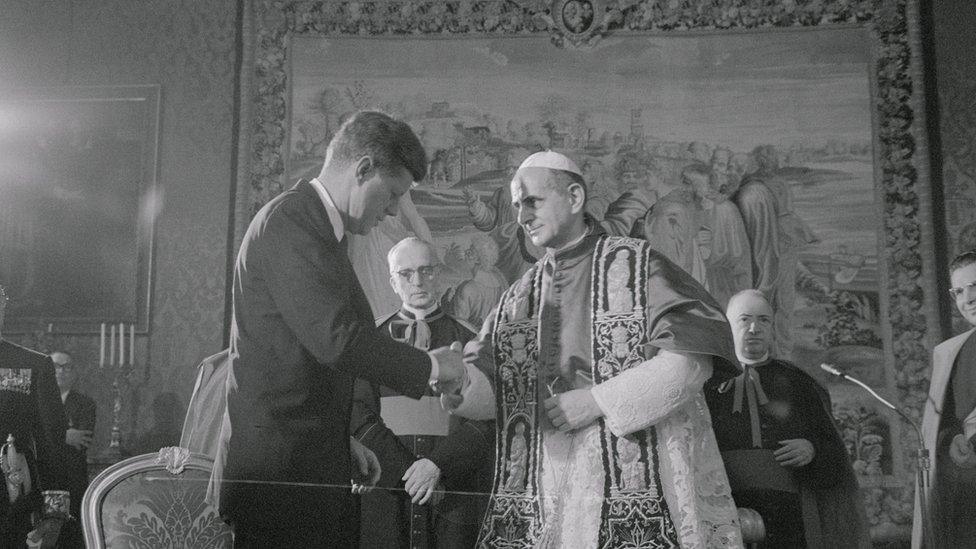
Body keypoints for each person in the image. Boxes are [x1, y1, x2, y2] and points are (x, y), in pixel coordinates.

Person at [446, 151, 743, 547]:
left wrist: (598, 401)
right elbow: (499, 395)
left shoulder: (639, 266)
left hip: (631, 469)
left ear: (573, 198)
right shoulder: (519, 296)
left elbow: (690, 363)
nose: (521, 217)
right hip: (547, 483)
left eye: (532, 201)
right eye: (517, 205)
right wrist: (458, 380)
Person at [219, 111, 466, 547]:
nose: (392, 211)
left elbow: (303, 357)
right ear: (363, 168)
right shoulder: (291, 222)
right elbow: (339, 340)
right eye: (391, 194)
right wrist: (433, 366)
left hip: (306, 465)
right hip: (281, 481)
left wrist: (339, 441)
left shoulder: (317, 227)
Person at [351, 237, 493, 549]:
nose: (417, 282)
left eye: (426, 271)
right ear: (392, 282)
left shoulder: (472, 339)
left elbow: (485, 420)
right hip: (389, 486)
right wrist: (408, 472)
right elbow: (358, 415)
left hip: (452, 486)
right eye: (406, 274)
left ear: (440, 275)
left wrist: (437, 465)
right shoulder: (370, 343)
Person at [704, 289, 869, 548]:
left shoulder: (799, 383)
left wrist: (812, 449)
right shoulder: (706, 382)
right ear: (728, 325)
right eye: (744, 319)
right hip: (722, 508)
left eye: (764, 320)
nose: (754, 328)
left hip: (788, 514)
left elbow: (833, 451)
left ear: (772, 328)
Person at [913, 250, 976, 548]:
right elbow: (944, 424)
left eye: (975, 287)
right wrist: (952, 441)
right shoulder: (952, 352)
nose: (968, 299)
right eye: (960, 291)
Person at [0, 286, 71, 548]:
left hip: (11, 496)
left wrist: (54, 513)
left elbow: (52, 441)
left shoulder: (34, 364)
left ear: (4, 306)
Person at [50, 352, 94, 528]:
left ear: (74, 373)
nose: (61, 372)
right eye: (55, 367)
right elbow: (30, 436)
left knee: (70, 531)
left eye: (66, 367)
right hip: (43, 474)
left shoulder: (85, 404)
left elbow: (81, 440)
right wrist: (64, 435)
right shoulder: (35, 401)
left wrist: (50, 435)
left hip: (71, 476)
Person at [446, 234, 507, 327]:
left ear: (478, 260)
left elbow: (458, 326)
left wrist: (446, 302)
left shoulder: (467, 288)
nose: (466, 253)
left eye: (470, 252)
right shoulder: (498, 278)